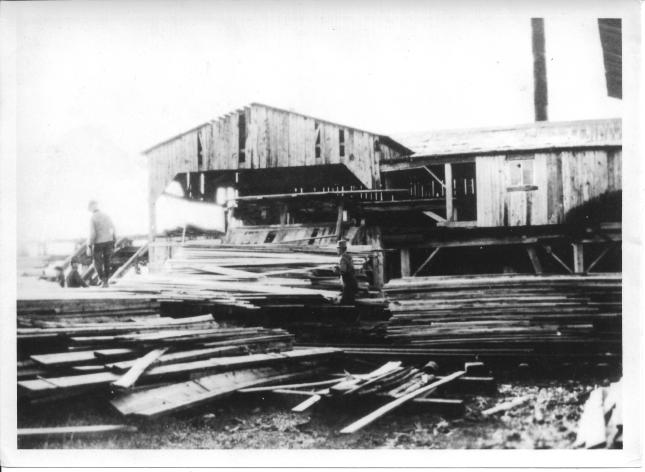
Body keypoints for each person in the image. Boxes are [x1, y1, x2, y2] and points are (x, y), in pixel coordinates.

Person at [87, 200, 116, 287]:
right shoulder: (106, 215)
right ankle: (106, 281)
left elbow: (93, 234)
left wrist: (89, 245)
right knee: (107, 261)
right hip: (109, 241)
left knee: (97, 262)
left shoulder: (92, 218)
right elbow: (113, 228)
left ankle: (103, 280)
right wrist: (114, 240)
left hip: (98, 243)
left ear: (91, 208)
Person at [336, 239, 358, 305]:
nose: (337, 250)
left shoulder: (342, 258)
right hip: (352, 282)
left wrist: (336, 270)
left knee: (345, 303)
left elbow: (343, 271)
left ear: (341, 249)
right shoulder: (349, 257)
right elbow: (352, 269)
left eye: (338, 248)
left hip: (347, 283)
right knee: (350, 302)